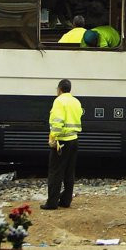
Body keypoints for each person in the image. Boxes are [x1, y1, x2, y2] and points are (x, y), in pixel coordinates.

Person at [42, 79, 82, 210]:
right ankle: (66, 201)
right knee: (69, 172)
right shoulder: (76, 101)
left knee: (55, 172)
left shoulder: (59, 101)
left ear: (59, 89)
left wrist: (53, 138)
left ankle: (52, 203)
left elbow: (57, 122)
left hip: (62, 141)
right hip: (74, 140)